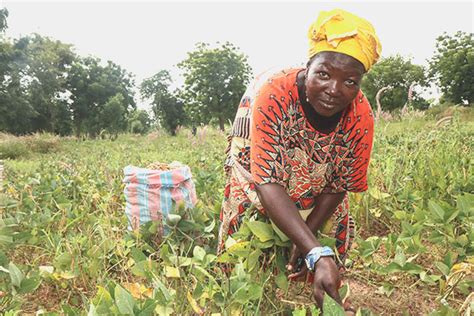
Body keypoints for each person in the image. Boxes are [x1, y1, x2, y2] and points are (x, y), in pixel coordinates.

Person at [217, 8, 381, 310]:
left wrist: (311, 243)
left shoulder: (360, 117)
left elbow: (339, 184)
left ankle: (318, 283)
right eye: (324, 74)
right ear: (308, 67)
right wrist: (314, 250)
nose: (334, 90)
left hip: (315, 167)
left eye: (350, 81)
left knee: (318, 216)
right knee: (248, 195)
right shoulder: (275, 93)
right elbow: (266, 181)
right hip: (258, 148)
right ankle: (237, 283)